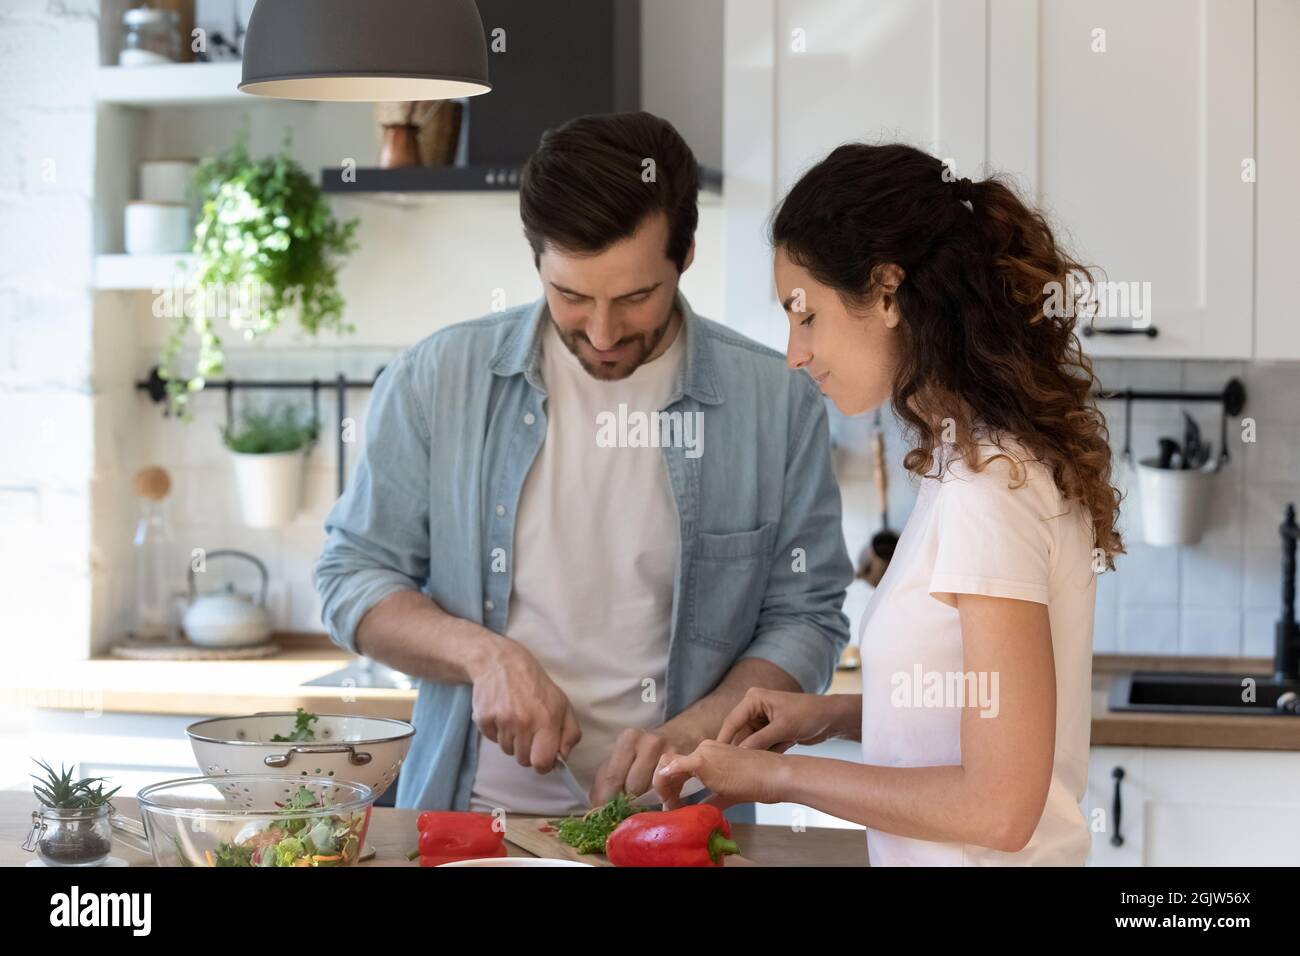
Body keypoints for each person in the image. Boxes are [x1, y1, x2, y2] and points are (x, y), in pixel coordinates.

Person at [314, 112, 853, 814]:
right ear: (535, 259)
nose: (602, 333)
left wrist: (697, 729)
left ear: (685, 254)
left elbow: (806, 615)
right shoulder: (439, 377)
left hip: (677, 824)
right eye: (571, 296)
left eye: (636, 297)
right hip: (471, 819)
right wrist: (486, 657)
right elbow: (350, 575)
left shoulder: (775, 401)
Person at [654, 143, 1124, 866]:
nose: (793, 353)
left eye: (805, 316)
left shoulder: (987, 489)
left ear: (885, 292)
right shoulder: (970, 462)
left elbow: (1000, 807)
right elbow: (986, 720)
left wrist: (777, 776)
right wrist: (829, 716)